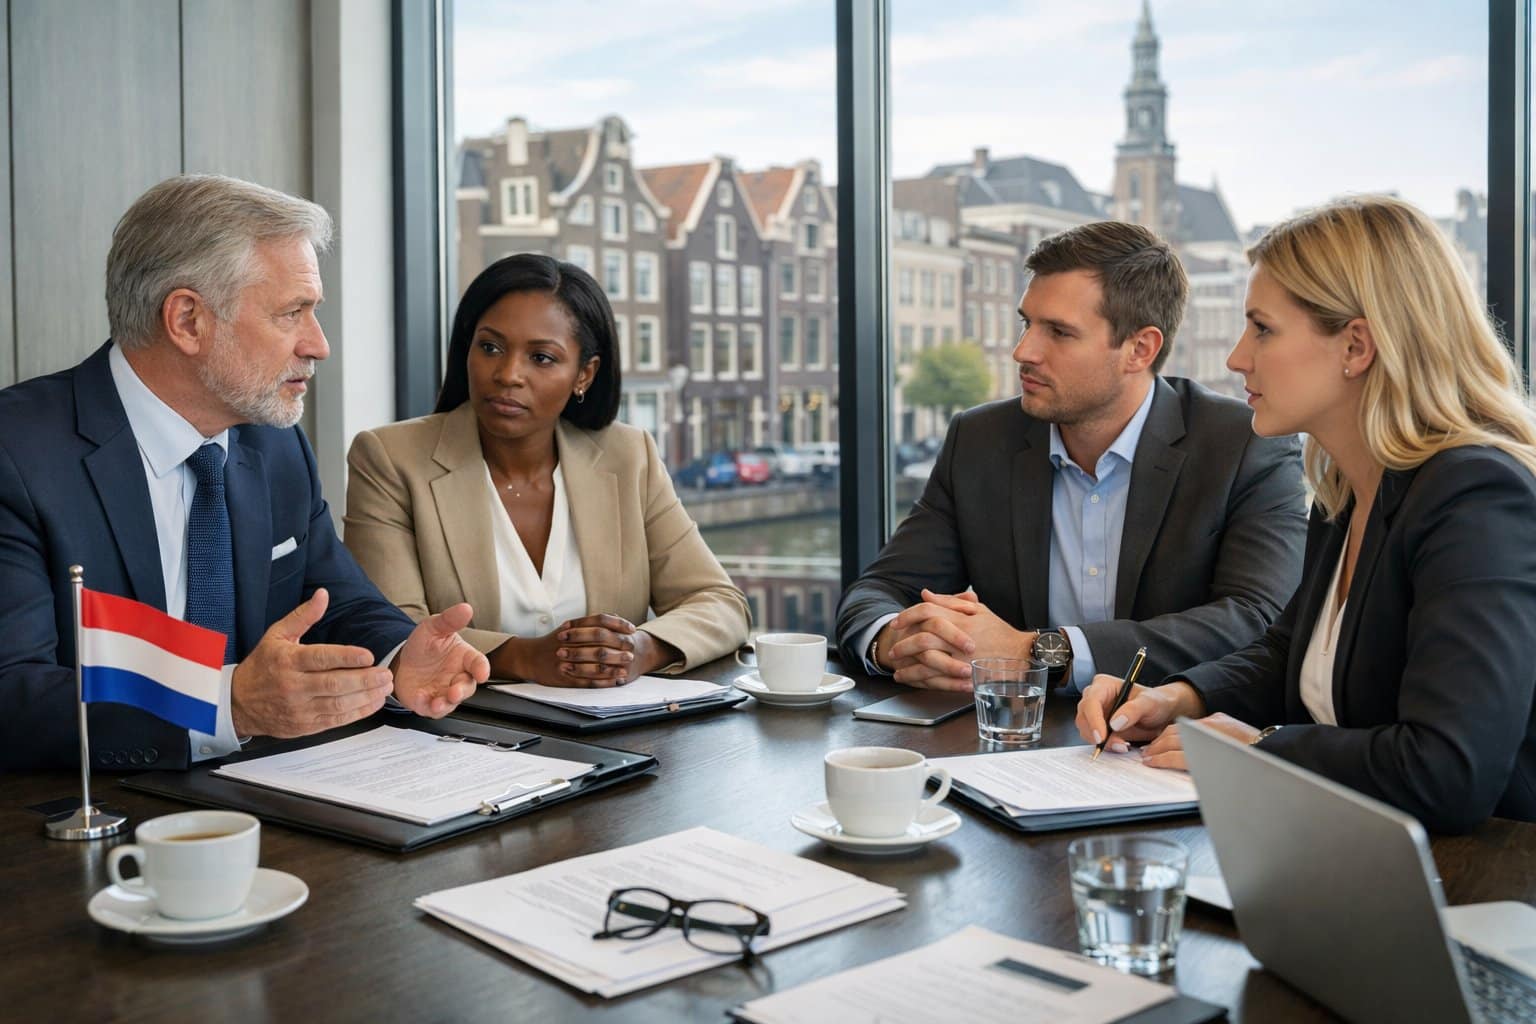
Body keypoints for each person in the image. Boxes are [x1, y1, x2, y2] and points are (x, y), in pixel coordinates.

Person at [1076, 196, 1536, 833]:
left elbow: (1449, 770)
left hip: (1485, 889)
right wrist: (1181, 698)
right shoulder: (1348, 489)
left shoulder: (1476, 497)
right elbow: (1290, 652)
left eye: (1262, 328)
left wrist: (1264, 751)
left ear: (1356, 345)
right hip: (1364, 861)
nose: (1238, 357)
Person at [0, 174, 490, 773]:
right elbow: (13, 696)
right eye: (293, 314)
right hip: (87, 823)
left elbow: (334, 601)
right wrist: (227, 703)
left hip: (270, 798)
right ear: (187, 321)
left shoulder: (276, 445)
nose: (319, 345)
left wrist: (400, 653)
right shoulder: (17, 454)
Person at [836, 221, 1307, 693]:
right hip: (1007, 738)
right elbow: (878, 591)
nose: (1023, 351)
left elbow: (1257, 619)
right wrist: (895, 641)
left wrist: (1037, 653)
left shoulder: (1243, 444)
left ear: (1139, 349)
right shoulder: (980, 440)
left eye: (1059, 332)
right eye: (1027, 323)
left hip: (1165, 744)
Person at [344, 253, 750, 687]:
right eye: (490, 347)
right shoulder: (389, 458)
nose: (507, 374)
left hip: (615, 739)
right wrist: (525, 658)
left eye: (541, 358)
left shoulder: (629, 456)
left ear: (585, 375)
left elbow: (720, 602)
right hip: (459, 733)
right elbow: (391, 632)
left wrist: (640, 649)